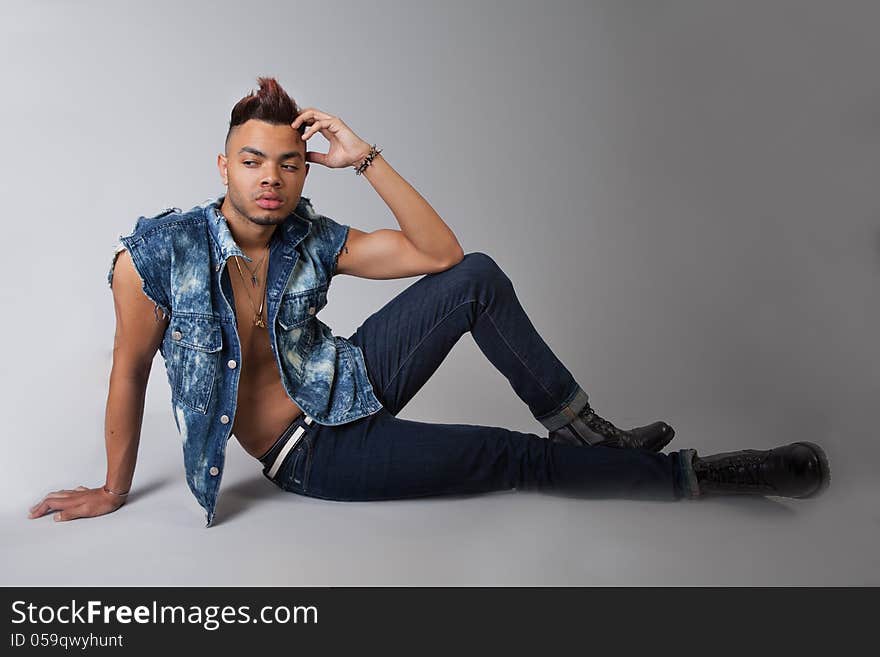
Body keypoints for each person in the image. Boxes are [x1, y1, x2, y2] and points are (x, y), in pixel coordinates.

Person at [28, 77, 830, 527]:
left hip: (354, 379)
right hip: (311, 452)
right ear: (224, 164)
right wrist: (113, 486)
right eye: (252, 161)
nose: (270, 177)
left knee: (477, 273)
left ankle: (592, 431)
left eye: (289, 163)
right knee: (507, 458)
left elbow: (440, 257)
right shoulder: (157, 258)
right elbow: (129, 373)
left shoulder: (311, 233)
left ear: (305, 171)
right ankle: (702, 477)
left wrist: (363, 155)